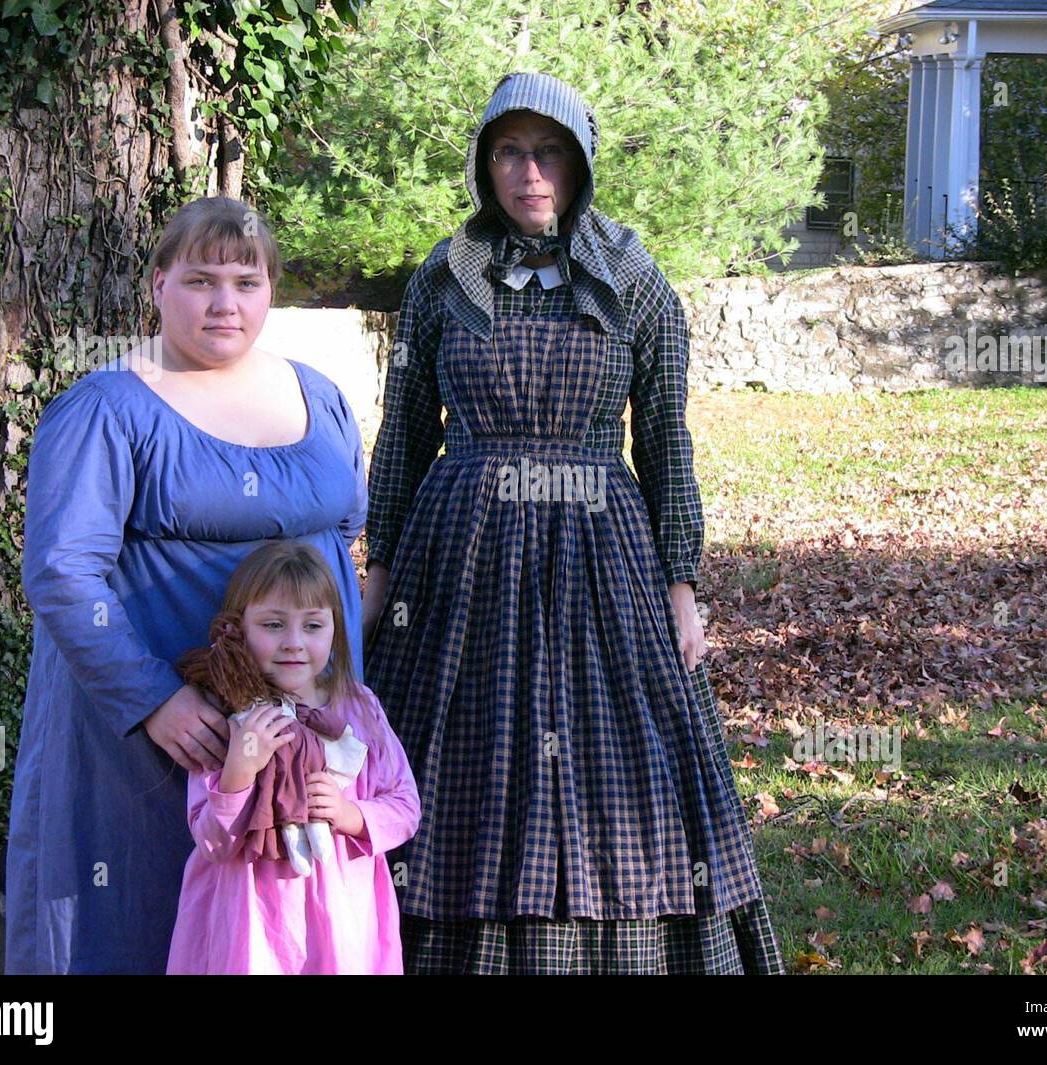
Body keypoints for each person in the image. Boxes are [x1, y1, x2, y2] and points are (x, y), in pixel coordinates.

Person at [362, 72, 785, 974]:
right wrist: (382, 567)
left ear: (581, 162)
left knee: (613, 766)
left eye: (548, 151)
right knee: (460, 759)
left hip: (601, 553)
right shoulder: (444, 281)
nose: (529, 172)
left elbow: (666, 438)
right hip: (463, 555)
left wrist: (681, 583)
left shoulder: (633, 281)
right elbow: (402, 432)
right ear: (485, 163)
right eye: (510, 152)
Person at [5, 197, 369, 974]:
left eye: (247, 280)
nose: (224, 302)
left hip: (298, 732)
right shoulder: (106, 407)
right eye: (201, 279)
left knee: (287, 923)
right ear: (159, 282)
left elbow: (339, 537)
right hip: (160, 736)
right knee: (148, 914)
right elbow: (63, 571)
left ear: (271, 288)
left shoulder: (322, 396)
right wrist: (153, 699)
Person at [166, 540, 419, 974]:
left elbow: (405, 806)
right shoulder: (230, 713)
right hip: (252, 926)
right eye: (273, 625)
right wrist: (239, 773)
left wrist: (351, 814)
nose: (294, 643)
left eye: (313, 626)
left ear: (335, 630)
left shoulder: (358, 707)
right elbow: (211, 842)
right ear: (237, 628)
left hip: (340, 923)